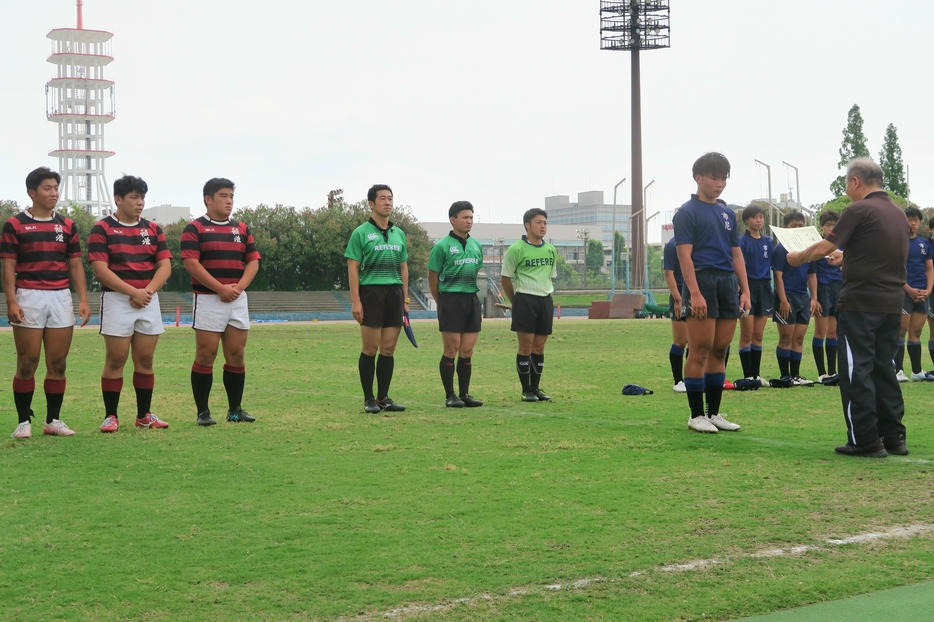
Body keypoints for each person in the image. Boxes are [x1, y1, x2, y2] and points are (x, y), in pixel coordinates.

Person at [787, 158, 909, 457]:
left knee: (857, 370)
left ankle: (865, 439)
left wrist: (798, 257)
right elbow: (882, 252)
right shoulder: (898, 214)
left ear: (855, 182)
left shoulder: (859, 209)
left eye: (846, 183)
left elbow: (824, 246)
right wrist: (849, 257)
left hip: (861, 303)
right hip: (892, 303)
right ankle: (893, 437)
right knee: (885, 368)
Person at [2, 166, 90, 439]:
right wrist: (12, 300)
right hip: (29, 295)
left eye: (55, 188)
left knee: (58, 363)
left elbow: (75, 265)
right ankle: (23, 421)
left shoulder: (67, 225)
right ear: (32, 192)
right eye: (47, 188)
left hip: (60, 296)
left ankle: (53, 420)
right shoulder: (15, 225)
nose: (53, 193)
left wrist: (83, 299)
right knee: (28, 362)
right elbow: (8, 265)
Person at [88, 175, 172, 432]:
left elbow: (165, 266)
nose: (140, 203)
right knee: (116, 359)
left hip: (148, 298)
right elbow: (101, 270)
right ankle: (111, 416)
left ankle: (144, 415)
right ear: (118, 199)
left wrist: (145, 291)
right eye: (134, 197)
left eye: (142, 197)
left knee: (145, 359)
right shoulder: (102, 229)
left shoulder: (153, 229)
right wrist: (132, 292)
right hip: (116, 299)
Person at [673, 152, 750, 433]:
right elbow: (684, 256)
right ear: (699, 178)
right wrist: (694, 292)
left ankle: (714, 412)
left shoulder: (728, 213)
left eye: (724, 178)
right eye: (714, 177)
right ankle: (696, 415)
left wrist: (745, 290)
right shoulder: (687, 212)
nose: (720, 183)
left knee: (720, 349)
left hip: (727, 283)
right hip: (702, 281)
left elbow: (736, 254)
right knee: (700, 349)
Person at [181, 178, 260, 426]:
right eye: (224, 196)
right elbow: (191, 263)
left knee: (236, 354)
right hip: (207, 298)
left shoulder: (242, 229)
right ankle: (203, 412)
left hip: (237, 298)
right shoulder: (194, 228)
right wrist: (219, 288)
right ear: (208, 198)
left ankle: (235, 410)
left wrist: (238, 288)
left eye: (231, 196)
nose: (229, 201)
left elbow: (253, 261)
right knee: (206, 354)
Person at [345, 184, 409, 414]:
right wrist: (356, 300)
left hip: (394, 294)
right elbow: (353, 267)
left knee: (389, 349)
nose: (387, 202)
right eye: (382, 198)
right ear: (371, 204)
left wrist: (405, 299)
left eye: (390, 198)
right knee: (370, 348)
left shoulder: (398, 233)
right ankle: (368, 399)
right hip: (371, 293)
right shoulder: (361, 233)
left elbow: (404, 267)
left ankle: (383, 397)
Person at [428, 201, 484, 408]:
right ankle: (450, 395)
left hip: (471, 299)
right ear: (453, 220)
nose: (469, 221)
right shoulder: (442, 246)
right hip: (450, 300)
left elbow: (476, 270)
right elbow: (432, 277)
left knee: (467, 350)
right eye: (465, 217)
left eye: (471, 217)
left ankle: (465, 393)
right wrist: (441, 301)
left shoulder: (476, 245)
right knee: (451, 348)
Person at [501, 208, 557, 402]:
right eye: (539, 222)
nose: (543, 226)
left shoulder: (550, 250)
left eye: (545, 223)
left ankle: (536, 387)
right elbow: (506, 277)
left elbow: (550, 276)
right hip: (525, 299)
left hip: (545, 300)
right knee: (525, 346)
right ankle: (527, 390)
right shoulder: (516, 249)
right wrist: (515, 301)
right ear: (527, 225)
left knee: (539, 347)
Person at [772, 211, 818, 386]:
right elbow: (778, 276)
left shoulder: (808, 248)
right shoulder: (780, 248)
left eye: (800, 226)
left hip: (802, 297)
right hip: (787, 297)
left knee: (798, 338)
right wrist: (783, 300)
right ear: (785, 228)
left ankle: (796, 375)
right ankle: (785, 376)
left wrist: (814, 298)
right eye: (793, 226)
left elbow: (812, 275)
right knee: (786, 338)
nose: (797, 229)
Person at [893, 207, 933, 382]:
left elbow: (929, 268)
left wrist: (929, 290)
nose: (913, 223)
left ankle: (917, 371)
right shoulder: (896, 243)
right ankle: (898, 370)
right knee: (900, 331)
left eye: (916, 220)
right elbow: (893, 269)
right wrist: (908, 289)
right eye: (909, 219)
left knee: (916, 332)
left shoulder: (925, 244)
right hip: (903, 293)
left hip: (922, 294)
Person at [737, 204, 774, 385]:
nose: (758, 220)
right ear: (747, 220)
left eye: (761, 217)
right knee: (747, 334)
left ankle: (756, 375)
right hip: (748, 287)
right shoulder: (741, 242)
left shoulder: (768, 242)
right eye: (754, 217)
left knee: (758, 335)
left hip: (764, 287)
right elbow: (738, 266)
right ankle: (748, 376)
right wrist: (742, 289)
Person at [812, 211, 842, 383]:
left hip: (838, 289)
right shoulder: (819, 245)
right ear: (822, 227)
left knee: (833, 333)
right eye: (828, 225)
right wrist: (814, 297)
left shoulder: (842, 245)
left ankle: (832, 372)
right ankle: (821, 372)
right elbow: (812, 273)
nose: (831, 228)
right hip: (823, 289)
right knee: (820, 331)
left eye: (834, 225)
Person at [663, 236, 688, 393]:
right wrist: (678, 298)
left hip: (697, 294)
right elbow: (669, 273)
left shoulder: (695, 242)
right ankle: (679, 381)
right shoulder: (672, 245)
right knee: (681, 340)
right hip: (681, 294)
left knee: (696, 341)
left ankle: (693, 379)